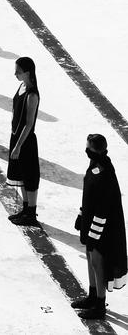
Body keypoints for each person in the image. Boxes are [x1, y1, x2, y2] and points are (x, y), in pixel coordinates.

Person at [71, 134, 127, 321]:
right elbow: (89, 196)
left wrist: (94, 233)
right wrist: (81, 214)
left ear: (94, 150)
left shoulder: (104, 172)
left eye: (88, 148)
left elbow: (103, 208)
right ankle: (92, 296)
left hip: (102, 227)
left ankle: (100, 306)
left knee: (98, 263)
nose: (86, 150)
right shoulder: (96, 165)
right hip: (91, 221)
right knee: (89, 258)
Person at [7, 57, 40, 226]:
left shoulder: (32, 94)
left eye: (18, 71)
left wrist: (18, 145)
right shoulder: (21, 86)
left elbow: (29, 124)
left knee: (29, 177)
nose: (15, 74)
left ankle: (31, 213)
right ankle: (25, 209)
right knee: (20, 174)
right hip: (16, 136)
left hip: (25, 141)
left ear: (27, 72)